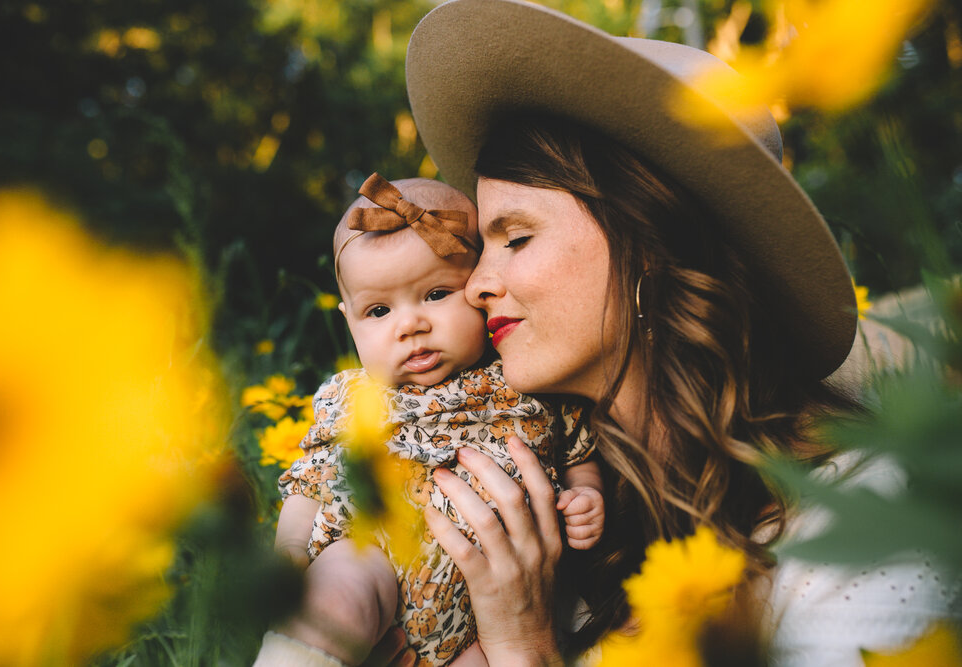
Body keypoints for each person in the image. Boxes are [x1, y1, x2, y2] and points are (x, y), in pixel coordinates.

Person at [257, 1, 960, 665]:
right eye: (480, 248)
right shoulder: (562, 502)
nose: (475, 285)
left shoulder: (861, 524)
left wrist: (523, 643)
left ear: (649, 249)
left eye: (517, 238)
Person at [258, 173, 605, 667]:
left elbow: (577, 451)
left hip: (491, 613)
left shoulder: (525, 382)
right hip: (373, 553)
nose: (410, 325)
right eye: (378, 310)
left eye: (436, 294)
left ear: (478, 286)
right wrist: (291, 549)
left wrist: (584, 494)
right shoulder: (355, 399)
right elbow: (310, 482)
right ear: (348, 320)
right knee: (336, 600)